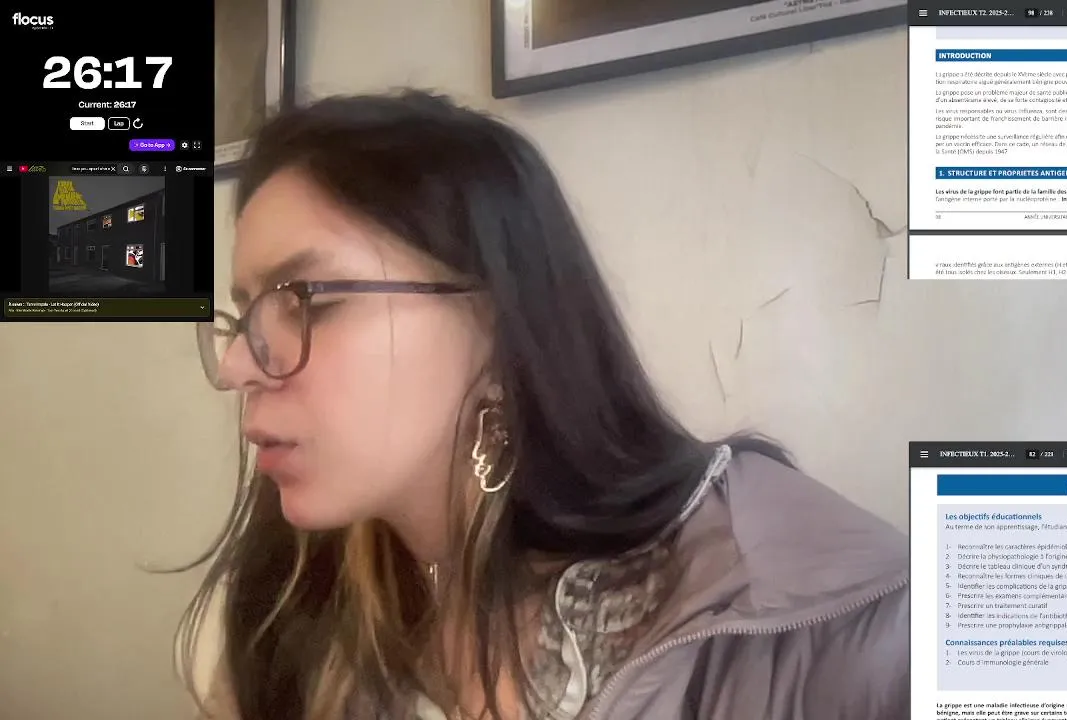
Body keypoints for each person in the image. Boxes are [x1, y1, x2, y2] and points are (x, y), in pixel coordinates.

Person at [181, 89, 909, 720]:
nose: (238, 366)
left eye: (307, 298)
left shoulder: (835, 625)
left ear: (498, 321)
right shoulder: (283, 611)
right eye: (245, 313)